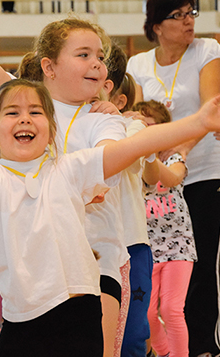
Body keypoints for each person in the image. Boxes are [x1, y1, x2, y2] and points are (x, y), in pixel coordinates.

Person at [0, 78, 220, 357]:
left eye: (35, 111)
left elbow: (137, 145)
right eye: (12, 112)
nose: (25, 119)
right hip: (21, 320)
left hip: (80, 313)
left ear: (52, 128)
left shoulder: (71, 169)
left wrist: (199, 122)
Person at [0, 0, 130, 353]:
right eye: (83, 54)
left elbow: (104, 169)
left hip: (93, 264)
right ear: (49, 66)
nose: (97, 64)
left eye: (99, 56)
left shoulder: (105, 119)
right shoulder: (25, 107)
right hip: (31, 271)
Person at [127, 0, 220, 355]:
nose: (187, 21)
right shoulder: (138, 64)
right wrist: (157, 158)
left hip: (204, 172)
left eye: (190, 13)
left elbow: (210, 110)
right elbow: (134, 115)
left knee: (202, 265)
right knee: (156, 273)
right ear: (156, 25)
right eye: (177, 15)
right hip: (157, 183)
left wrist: (173, 152)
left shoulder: (206, 50)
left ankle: (203, 345)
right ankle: (164, 347)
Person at [102, 51, 159, 357]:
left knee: (132, 333)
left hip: (132, 245)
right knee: (104, 333)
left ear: (119, 100)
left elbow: (129, 156)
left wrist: (116, 119)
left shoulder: (134, 128)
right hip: (98, 247)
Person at [132, 99, 196, 357]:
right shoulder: (134, 164)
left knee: (171, 309)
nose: (147, 132)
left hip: (178, 245)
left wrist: (144, 149)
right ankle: (165, 352)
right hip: (149, 248)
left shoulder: (174, 159)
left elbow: (172, 178)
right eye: (142, 127)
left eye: (152, 128)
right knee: (146, 311)